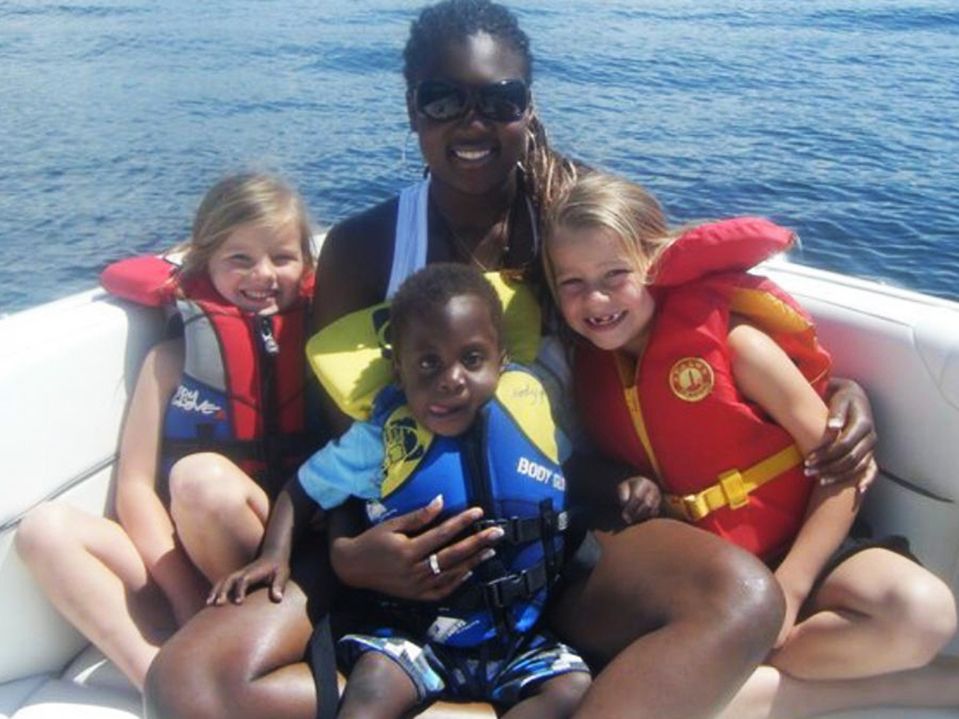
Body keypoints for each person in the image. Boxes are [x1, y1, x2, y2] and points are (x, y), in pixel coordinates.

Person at [144, 2, 878, 717]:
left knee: (744, 599)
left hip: (565, 536)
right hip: (398, 563)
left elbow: (687, 331)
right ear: (411, 109)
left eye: (500, 99)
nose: (472, 122)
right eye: (443, 99)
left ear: (527, 108)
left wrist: (839, 389)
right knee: (187, 683)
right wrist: (347, 554)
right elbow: (339, 440)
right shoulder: (365, 248)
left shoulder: (577, 220)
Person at [542, 169, 959, 718]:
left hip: (794, 545)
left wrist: (789, 590)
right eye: (571, 283)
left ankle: (763, 682)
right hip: (707, 582)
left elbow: (849, 471)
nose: (594, 299)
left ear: (656, 262)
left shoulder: (736, 345)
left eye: (614, 274)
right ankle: (893, 688)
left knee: (923, 612)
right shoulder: (585, 366)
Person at [211, 263, 592, 718]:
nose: (451, 378)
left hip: (520, 637)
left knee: (571, 686)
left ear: (501, 359)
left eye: (472, 360)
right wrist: (273, 554)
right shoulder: (379, 441)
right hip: (414, 639)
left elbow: (570, 472)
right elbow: (305, 487)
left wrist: (629, 485)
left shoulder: (530, 414)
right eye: (428, 363)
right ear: (399, 370)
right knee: (372, 688)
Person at [15, 172, 318, 690]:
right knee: (44, 530)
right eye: (239, 259)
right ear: (206, 263)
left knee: (202, 482)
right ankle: (157, 678)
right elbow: (134, 487)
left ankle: (231, 633)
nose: (262, 274)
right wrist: (180, 591)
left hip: (275, 561)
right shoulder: (171, 360)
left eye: (282, 258)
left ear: (307, 265)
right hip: (181, 560)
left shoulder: (318, 348)